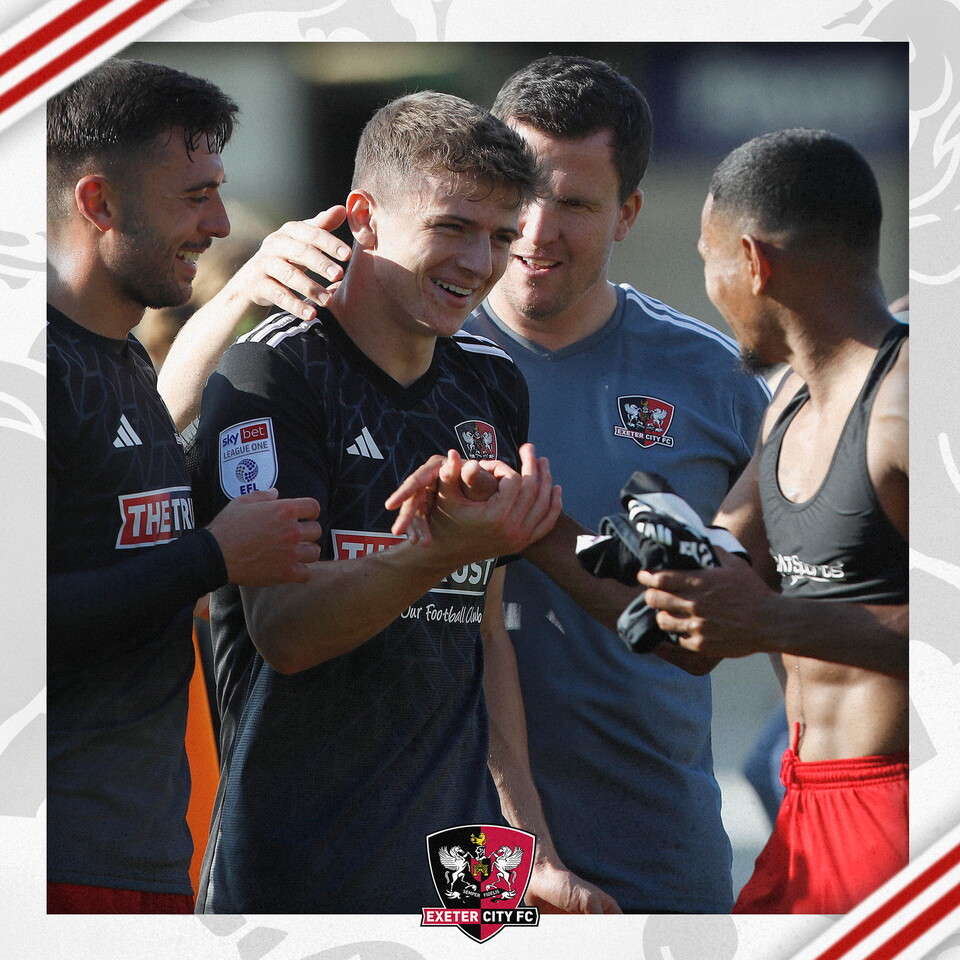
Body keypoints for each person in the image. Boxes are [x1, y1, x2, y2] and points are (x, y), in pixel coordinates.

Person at [188, 90, 617, 914]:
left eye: (499, 236)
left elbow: (482, 639)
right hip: (293, 883)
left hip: (460, 881)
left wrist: (528, 854)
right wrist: (434, 552)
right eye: (453, 227)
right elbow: (284, 632)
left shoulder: (489, 382)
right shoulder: (271, 373)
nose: (479, 263)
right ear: (365, 218)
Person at [459, 55, 772, 913]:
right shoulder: (415, 356)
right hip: (467, 835)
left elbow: (777, 606)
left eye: (574, 203)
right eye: (519, 193)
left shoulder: (712, 378)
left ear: (629, 212)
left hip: (658, 840)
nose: (535, 229)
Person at [46, 58, 329, 913]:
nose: (216, 221)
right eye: (193, 194)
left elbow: (144, 445)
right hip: (52, 858)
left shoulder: (120, 351)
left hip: (144, 849)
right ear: (98, 203)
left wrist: (245, 288)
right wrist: (210, 557)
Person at [639, 129, 908, 914]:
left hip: (901, 814)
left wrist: (768, 618)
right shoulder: (787, 399)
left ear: (752, 263)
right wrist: (532, 526)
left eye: (706, 260)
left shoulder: (908, 405)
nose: (711, 290)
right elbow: (708, 590)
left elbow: (759, 613)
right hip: (801, 809)